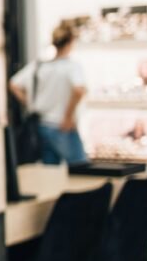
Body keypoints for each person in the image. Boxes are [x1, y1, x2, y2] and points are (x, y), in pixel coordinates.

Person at [9, 22, 89, 165]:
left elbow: (13, 84)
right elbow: (79, 90)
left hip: (42, 125)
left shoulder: (39, 66)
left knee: (50, 171)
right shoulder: (71, 67)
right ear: (70, 42)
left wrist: (30, 103)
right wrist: (68, 116)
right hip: (62, 125)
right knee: (80, 168)